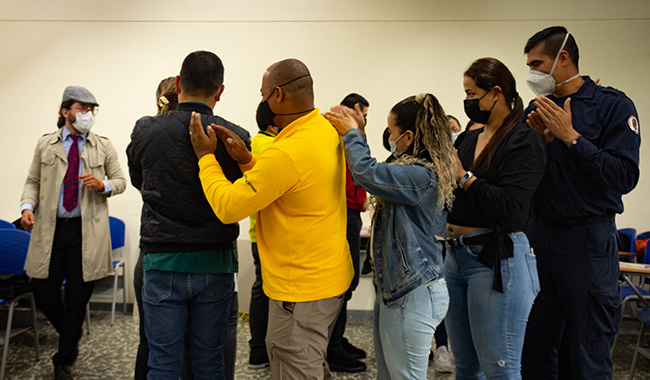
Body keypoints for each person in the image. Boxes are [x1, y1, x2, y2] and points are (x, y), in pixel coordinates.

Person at [189, 58, 353, 380]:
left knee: (295, 367)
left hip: (299, 294)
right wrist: (249, 161)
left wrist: (206, 158)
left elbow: (229, 206)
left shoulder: (286, 152)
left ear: (277, 95)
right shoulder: (324, 130)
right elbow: (291, 189)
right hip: (330, 281)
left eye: (262, 94)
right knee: (313, 364)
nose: (260, 101)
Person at [520, 27, 641, 380]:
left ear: (564, 58)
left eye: (537, 64)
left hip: (587, 241)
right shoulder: (538, 108)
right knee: (536, 352)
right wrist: (540, 144)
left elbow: (624, 176)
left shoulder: (612, 105)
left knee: (585, 353)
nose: (532, 73)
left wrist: (572, 138)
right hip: (538, 238)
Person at [126, 51, 250, 380]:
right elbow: (242, 193)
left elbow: (139, 180)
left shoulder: (145, 130)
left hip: (162, 261)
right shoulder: (234, 136)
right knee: (210, 363)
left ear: (178, 84)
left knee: (163, 362)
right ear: (220, 91)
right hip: (216, 264)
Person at [325, 92, 456, 379]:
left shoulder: (422, 175)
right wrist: (358, 132)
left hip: (414, 293)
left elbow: (367, 173)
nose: (390, 139)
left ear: (408, 137)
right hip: (399, 291)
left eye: (393, 133)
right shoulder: (409, 171)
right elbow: (378, 172)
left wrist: (351, 135)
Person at [444, 57, 546, 379]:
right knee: (465, 366)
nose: (467, 102)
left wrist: (464, 178)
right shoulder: (468, 139)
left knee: (499, 369)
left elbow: (510, 207)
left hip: (495, 259)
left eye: (472, 94)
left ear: (496, 93)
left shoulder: (522, 140)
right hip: (456, 256)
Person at [20, 85, 126, 380]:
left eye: (92, 110)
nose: (88, 115)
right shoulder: (46, 144)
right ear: (66, 112)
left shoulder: (103, 145)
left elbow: (120, 181)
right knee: (44, 293)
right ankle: (72, 329)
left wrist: (102, 185)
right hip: (51, 231)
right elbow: (32, 181)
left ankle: (63, 360)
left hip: (86, 233)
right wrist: (27, 206)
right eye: (83, 109)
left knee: (78, 298)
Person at [326, 93, 369, 374]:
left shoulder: (351, 133)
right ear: (356, 109)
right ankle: (333, 349)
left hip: (351, 212)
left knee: (348, 282)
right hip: (343, 213)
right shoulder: (341, 132)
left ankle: (337, 341)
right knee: (343, 283)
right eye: (365, 113)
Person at [247, 103, 278, 369]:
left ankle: (259, 349)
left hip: (258, 231)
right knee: (265, 291)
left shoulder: (254, 143)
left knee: (262, 289)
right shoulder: (269, 147)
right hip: (268, 233)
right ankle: (258, 349)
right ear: (272, 124)